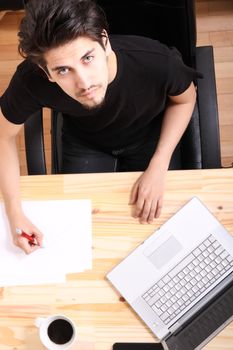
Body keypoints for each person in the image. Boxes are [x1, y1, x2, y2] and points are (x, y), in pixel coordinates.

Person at [0, 0, 197, 254]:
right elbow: (3, 135)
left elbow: (186, 99)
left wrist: (160, 163)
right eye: (63, 70)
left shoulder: (155, 61)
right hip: (86, 140)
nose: (84, 82)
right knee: (78, 237)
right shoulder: (32, 80)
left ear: (105, 42)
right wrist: (14, 212)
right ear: (46, 72)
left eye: (87, 58)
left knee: (162, 230)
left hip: (149, 135)